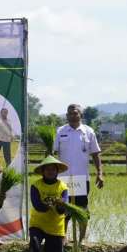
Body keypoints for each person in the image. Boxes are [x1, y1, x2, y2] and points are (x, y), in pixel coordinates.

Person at [52, 103, 104, 244]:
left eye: (75, 113)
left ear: (81, 115)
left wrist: (100, 173)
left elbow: (95, 154)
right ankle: (63, 238)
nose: (72, 115)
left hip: (81, 178)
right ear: (67, 115)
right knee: (63, 209)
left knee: (82, 209)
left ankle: (82, 239)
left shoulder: (88, 131)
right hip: (63, 179)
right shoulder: (60, 131)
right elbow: (52, 153)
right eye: (70, 113)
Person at [29, 156, 69, 252]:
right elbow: (37, 205)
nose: (50, 171)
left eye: (53, 169)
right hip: (38, 223)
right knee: (35, 243)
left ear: (57, 171)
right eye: (47, 169)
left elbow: (62, 210)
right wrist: (49, 205)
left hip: (55, 226)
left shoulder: (63, 187)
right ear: (43, 171)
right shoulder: (36, 185)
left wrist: (60, 205)